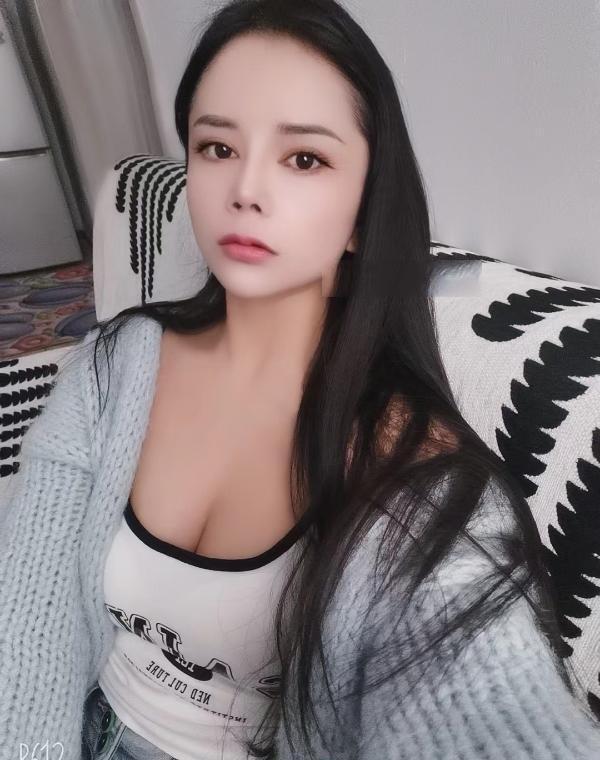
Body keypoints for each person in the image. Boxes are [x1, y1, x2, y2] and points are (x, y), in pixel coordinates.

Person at [1, 1, 600, 758]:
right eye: (217, 147)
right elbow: (30, 622)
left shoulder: (413, 476)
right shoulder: (113, 367)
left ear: (363, 210)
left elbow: (473, 677)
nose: (246, 188)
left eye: (304, 159)